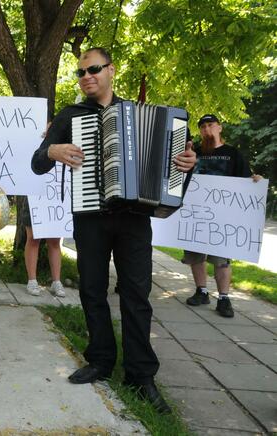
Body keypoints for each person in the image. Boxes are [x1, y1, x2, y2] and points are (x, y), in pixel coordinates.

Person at [31, 47, 196, 414]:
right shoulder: (71, 116)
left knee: (137, 294)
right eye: (80, 72)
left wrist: (187, 163)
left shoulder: (146, 115)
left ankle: (141, 376)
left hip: (135, 219)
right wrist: (53, 151)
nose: (86, 76)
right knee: (92, 290)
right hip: (90, 216)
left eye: (93, 69)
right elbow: (38, 161)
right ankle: (101, 360)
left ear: (111, 70)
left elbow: (177, 164)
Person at [183, 114, 262, 318]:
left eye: (211, 125)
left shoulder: (232, 154)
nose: (207, 130)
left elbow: (245, 181)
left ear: (220, 128)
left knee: (222, 260)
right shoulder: (195, 153)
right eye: (203, 127)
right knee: (195, 256)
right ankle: (201, 292)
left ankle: (224, 298)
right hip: (196, 214)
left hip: (222, 218)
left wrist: (255, 180)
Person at [16, 196, 65, 297]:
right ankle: (32, 281)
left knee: (55, 241)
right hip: (35, 197)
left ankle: (56, 282)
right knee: (33, 238)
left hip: (56, 197)